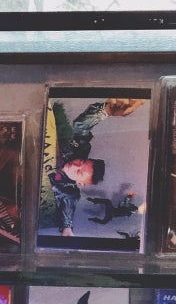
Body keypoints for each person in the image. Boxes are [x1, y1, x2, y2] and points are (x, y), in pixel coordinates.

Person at [47, 97, 143, 236]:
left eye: (79, 173)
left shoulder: (69, 190)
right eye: (80, 162)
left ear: (80, 183)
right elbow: (81, 126)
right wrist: (106, 110)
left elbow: (68, 205)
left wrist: (67, 228)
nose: (74, 166)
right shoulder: (79, 148)